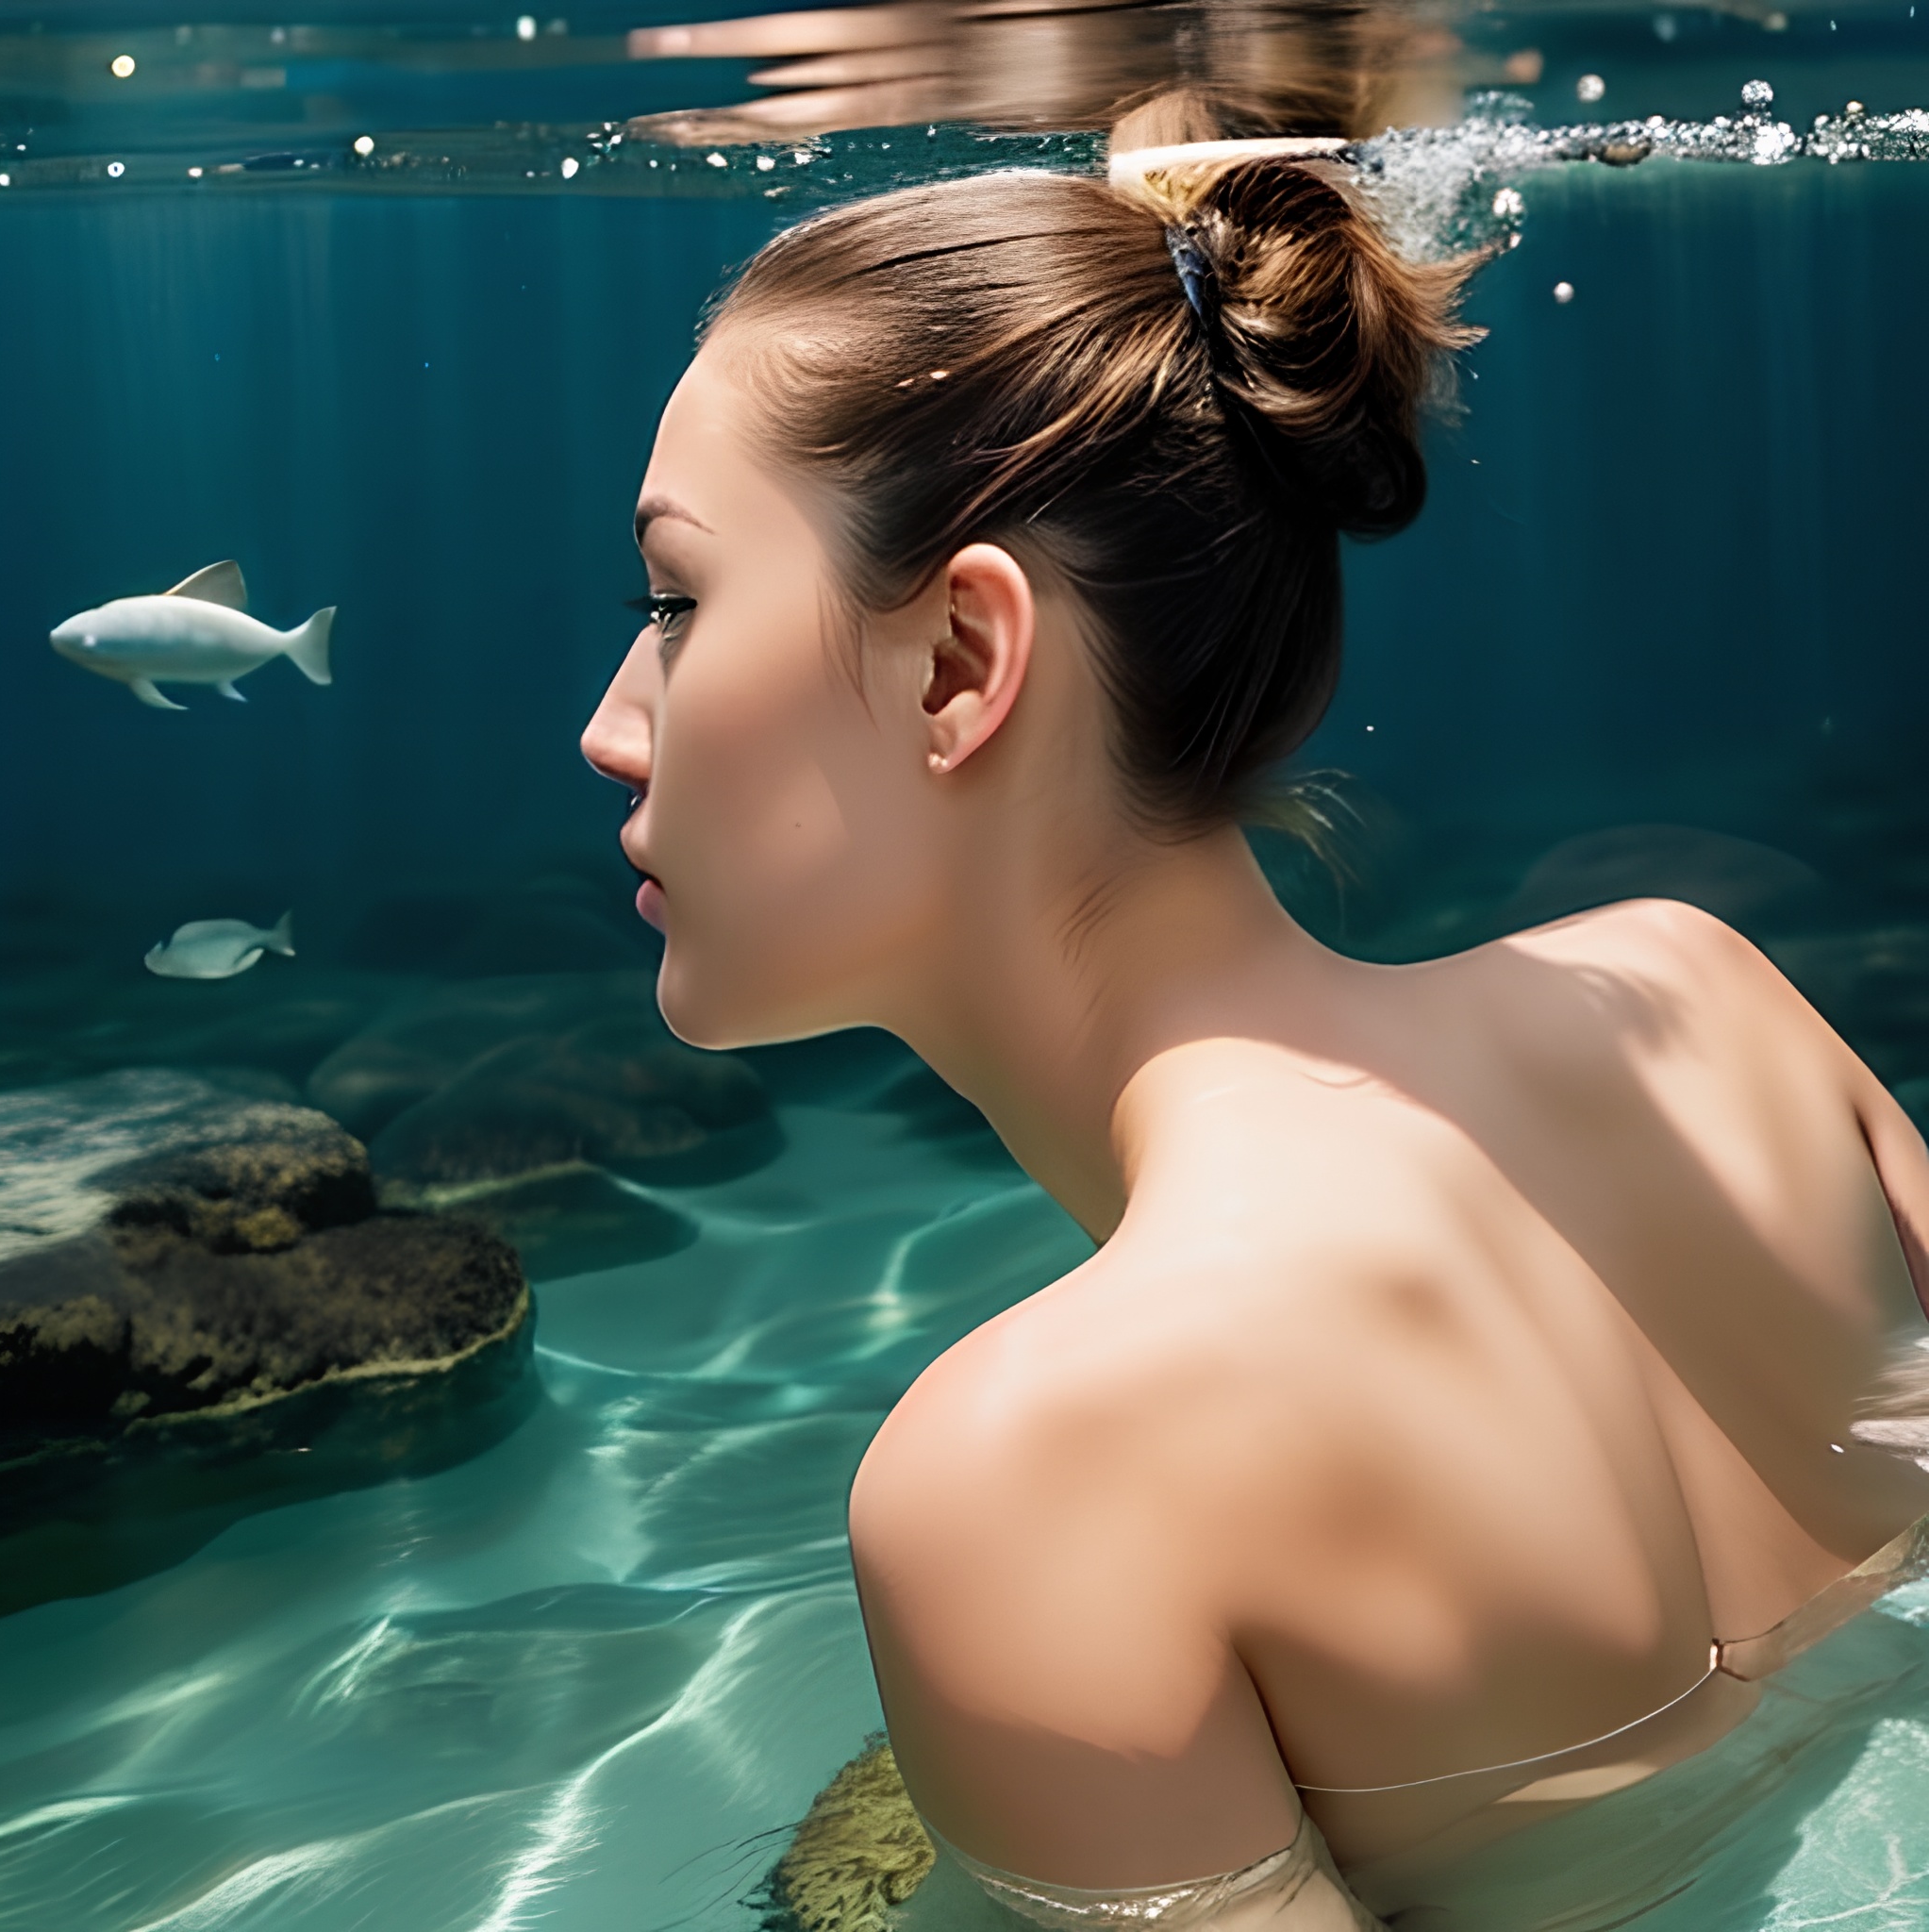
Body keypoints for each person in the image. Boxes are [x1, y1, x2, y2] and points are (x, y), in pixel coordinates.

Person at [580, 96, 1929, 1930]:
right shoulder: (1698, 998)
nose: (611, 720)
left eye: (676, 598)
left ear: (960, 663)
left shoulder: (1027, 1481)